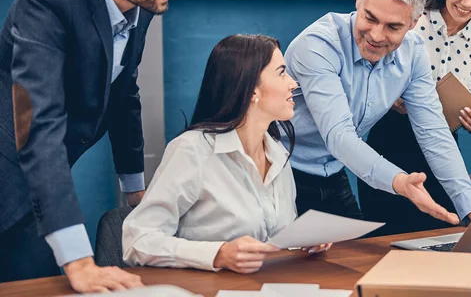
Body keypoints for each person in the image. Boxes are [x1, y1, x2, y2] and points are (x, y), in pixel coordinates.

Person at [0, 0, 199, 291]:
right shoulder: (47, 2)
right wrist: (79, 260)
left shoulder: (138, 4)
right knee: (38, 284)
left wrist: (135, 191)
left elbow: (124, 93)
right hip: (12, 172)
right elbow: (38, 127)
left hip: (41, 173)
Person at [281, 0, 471, 226]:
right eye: (370, 18)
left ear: (413, 23)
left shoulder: (413, 54)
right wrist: (399, 181)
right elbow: (339, 135)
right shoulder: (317, 45)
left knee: (359, 263)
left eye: (393, 27)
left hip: (335, 174)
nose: (376, 35)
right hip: (282, 174)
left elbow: (434, 133)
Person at [123, 34, 329, 274]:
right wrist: (218, 255)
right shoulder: (193, 150)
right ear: (251, 89)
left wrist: (302, 240)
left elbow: (272, 237)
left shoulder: (277, 152)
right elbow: (136, 240)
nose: (293, 84)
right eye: (282, 73)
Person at [360, 0, 471, 235]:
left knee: (437, 235)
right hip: (391, 141)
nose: (467, 1)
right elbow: (369, 75)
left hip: (443, 149)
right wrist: (393, 98)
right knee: (382, 240)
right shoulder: (411, 22)